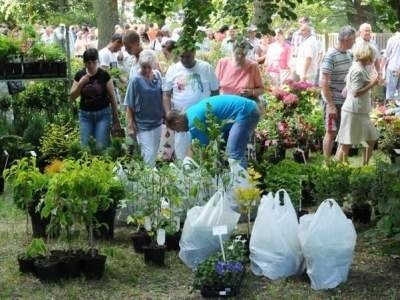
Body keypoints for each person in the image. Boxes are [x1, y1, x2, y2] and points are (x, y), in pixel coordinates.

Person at [165, 95, 260, 167]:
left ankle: (241, 189)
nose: (180, 132)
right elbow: (195, 146)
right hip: (247, 108)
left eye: (176, 130)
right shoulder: (191, 113)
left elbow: (201, 150)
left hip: (245, 112)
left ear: (177, 122)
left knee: (234, 154)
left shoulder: (194, 123)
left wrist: (189, 168)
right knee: (228, 153)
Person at [162, 48, 219, 159]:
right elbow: (166, 94)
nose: (184, 60)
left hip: (203, 121)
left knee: (204, 156)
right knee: (182, 155)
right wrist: (169, 114)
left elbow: (215, 93)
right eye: (182, 56)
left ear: (194, 52)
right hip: (181, 123)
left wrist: (213, 116)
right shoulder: (173, 69)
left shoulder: (206, 68)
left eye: (188, 56)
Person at [335, 42, 379, 165]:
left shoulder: (359, 67)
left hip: (360, 111)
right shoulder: (358, 69)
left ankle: (364, 166)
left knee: (371, 138)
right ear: (366, 55)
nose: (373, 58)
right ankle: (337, 169)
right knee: (346, 143)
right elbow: (355, 92)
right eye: (372, 56)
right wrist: (372, 84)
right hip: (353, 111)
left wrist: (372, 81)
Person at [70, 48, 121, 149]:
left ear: (97, 61)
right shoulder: (80, 75)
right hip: (85, 116)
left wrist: (116, 118)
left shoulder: (104, 75)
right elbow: (72, 96)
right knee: (85, 146)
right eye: (89, 62)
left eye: (94, 62)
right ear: (85, 63)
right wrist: (81, 83)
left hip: (103, 115)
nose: (92, 65)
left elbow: (112, 97)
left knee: (101, 146)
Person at [320, 25, 356, 163]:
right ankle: (326, 162)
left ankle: (339, 162)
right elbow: (324, 83)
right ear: (346, 39)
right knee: (331, 131)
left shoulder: (349, 54)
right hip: (333, 101)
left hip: (346, 101)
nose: (354, 42)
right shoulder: (330, 56)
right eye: (353, 39)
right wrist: (330, 105)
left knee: (344, 132)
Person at [124, 50, 164, 166]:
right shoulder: (135, 80)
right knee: (148, 154)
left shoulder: (157, 75)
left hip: (157, 122)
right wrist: (130, 125)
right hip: (142, 124)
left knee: (155, 153)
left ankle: (151, 179)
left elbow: (163, 95)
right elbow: (129, 104)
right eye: (143, 67)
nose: (146, 70)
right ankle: (149, 180)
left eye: (149, 67)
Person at [380, 24, 400, 101]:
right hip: (395, 68)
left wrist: (380, 70)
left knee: (390, 93)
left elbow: (386, 55)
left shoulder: (392, 39)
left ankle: (389, 111)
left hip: (393, 68)